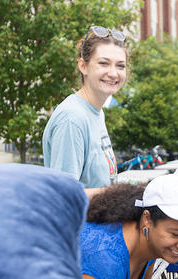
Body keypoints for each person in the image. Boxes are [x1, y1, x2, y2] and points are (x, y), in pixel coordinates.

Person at [43, 26, 127, 196]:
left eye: (120, 66)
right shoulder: (72, 118)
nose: (113, 73)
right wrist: (121, 196)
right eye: (104, 63)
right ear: (83, 66)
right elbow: (65, 196)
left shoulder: (96, 112)